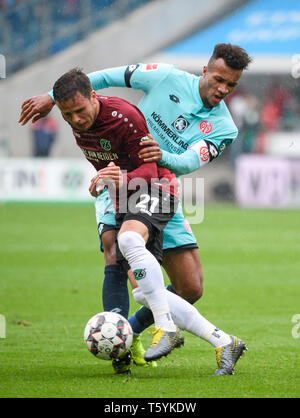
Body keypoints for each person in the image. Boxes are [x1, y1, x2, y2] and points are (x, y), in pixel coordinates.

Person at [18, 43, 251, 375]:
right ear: (205, 70)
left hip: (158, 183)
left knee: (190, 286)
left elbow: (188, 161)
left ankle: (130, 331)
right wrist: (50, 96)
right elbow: (103, 78)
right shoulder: (165, 77)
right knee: (119, 254)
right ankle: (125, 347)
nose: (222, 89)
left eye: (231, 85)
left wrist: (161, 156)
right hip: (116, 181)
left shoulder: (225, 126)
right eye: (218, 79)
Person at [51, 68, 185, 366]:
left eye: (79, 111)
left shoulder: (126, 117)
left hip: (147, 188)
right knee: (111, 251)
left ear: (93, 96)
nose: (75, 120)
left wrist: (114, 179)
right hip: (113, 189)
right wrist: (105, 182)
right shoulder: (77, 119)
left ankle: (150, 329)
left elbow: (149, 172)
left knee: (173, 286)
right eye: (67, 115)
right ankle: (118, 343)